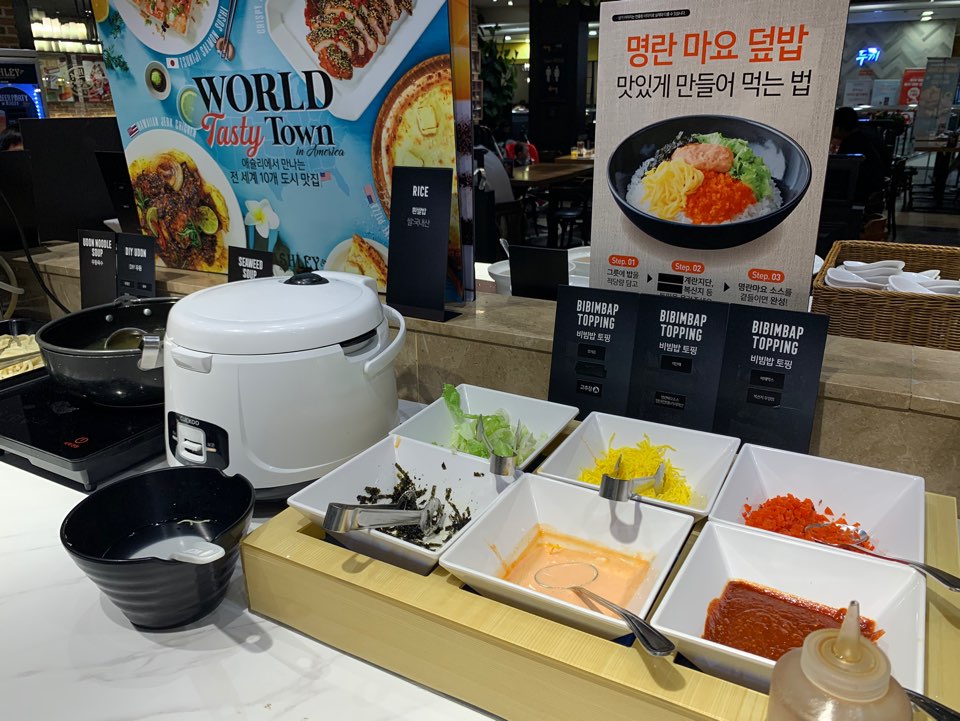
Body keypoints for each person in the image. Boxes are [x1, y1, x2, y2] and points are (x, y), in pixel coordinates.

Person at [831, 107, 884, 204]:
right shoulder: (863, 139)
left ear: (838, 127)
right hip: (869, 194)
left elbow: (840, 177)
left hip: (856, 196)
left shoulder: (851, 144)